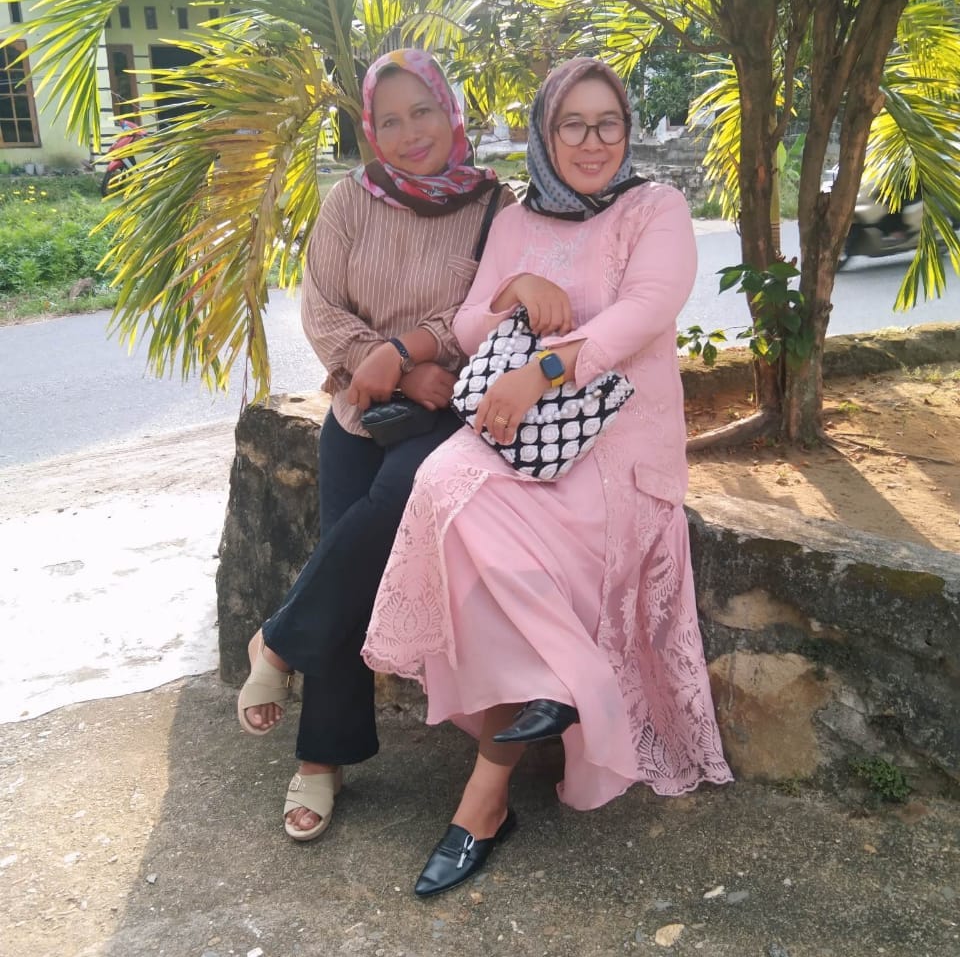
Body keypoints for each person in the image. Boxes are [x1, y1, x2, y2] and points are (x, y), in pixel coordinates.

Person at [362, 57, 733, 897]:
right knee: (441, 487)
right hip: (523, 435)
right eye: (574, 125)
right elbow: (469, 323)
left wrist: (546, 369)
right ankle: (565, 684)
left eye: (609, 124)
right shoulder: (518, 218)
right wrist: (517, 290)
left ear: (627, 131)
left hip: (621, 446)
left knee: (526, 550)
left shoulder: (655, 208)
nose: (593, 142)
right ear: (545, 133)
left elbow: (645, 311)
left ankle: (484, 800)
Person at [235, 48, 514, 842]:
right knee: (348, 567)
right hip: (362, 411)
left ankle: (278, 641)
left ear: (450, 112)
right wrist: (389, 367)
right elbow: (320, 309)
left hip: (447, 416)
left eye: (422, 111)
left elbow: (486, 311)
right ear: (370, 130)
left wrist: (418, 353)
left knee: (396, 501)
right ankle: (320, 761)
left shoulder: (493, 204)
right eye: (389, 120)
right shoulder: (350, 200)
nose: (409, 132)